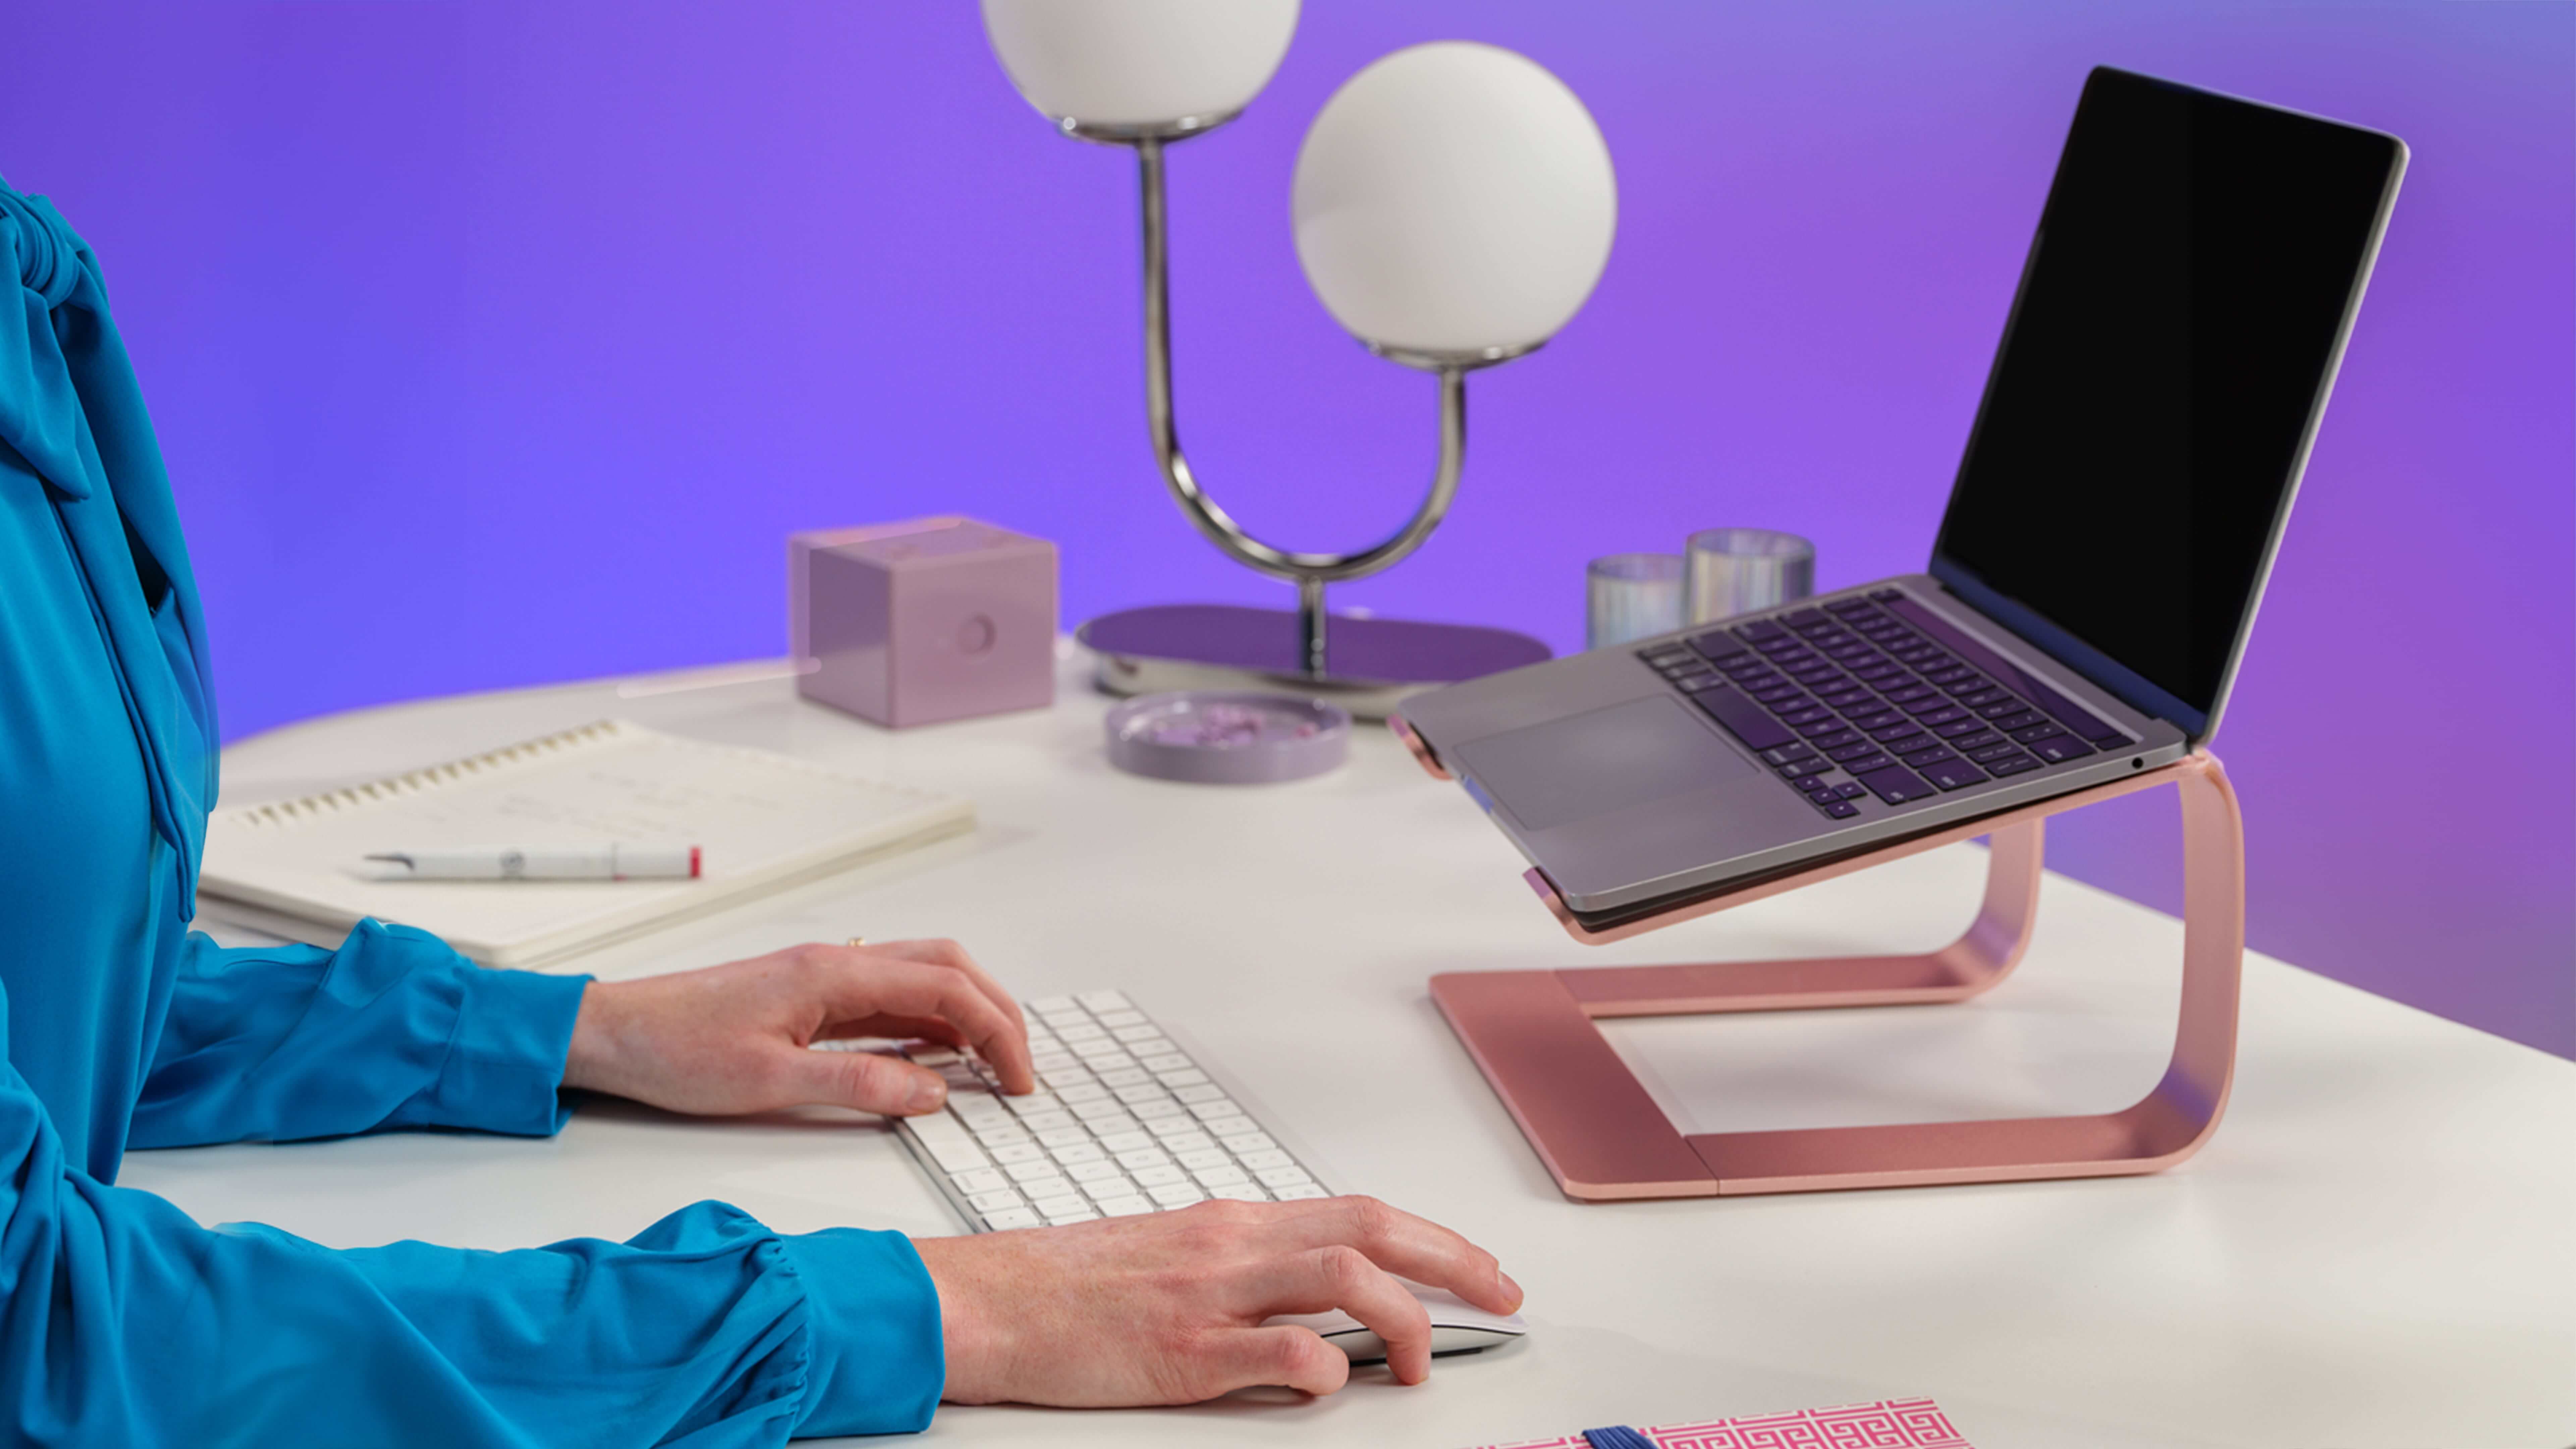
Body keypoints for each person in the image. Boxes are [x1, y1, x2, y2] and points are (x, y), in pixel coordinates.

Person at [0, 177, 1520, 1444]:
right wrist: (932, 1306)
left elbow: (59, 990)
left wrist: (575, 1031)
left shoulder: (29, 282)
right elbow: (31, 1323)